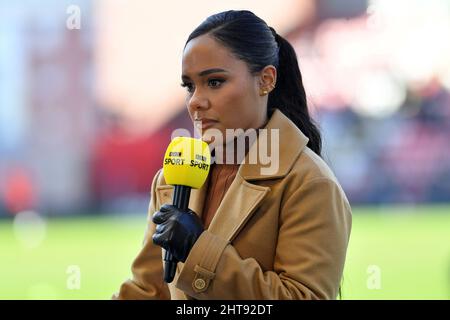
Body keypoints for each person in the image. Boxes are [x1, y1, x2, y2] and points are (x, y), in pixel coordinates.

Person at [114, 10, 351, 300]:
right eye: (189, 86)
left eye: (214, 82)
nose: (196, 101)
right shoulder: (172, 178)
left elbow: (303, 296)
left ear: (266, 80)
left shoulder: (309, 183)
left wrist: (198, 247)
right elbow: (148, 291)